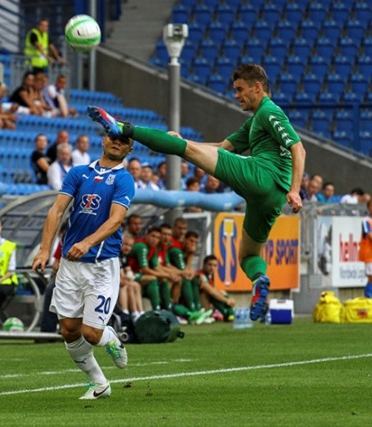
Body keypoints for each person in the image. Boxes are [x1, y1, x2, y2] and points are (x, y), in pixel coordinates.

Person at [89, 63, 306, 321]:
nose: (236, 95)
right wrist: (185, 142)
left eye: (240, 89)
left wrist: (296, 190)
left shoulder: (270, 112)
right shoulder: (255, 121)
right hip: (271, 198)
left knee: (183, 149)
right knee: (248, 255)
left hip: (263, 177)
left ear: (257, 88)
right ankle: (260, 279)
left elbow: (299, 149)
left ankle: (121, 128)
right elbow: (220, 147)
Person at [31, 130, 135, 400]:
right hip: (69, 264)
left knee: (91, 333)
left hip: (102, 264)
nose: (116, 143)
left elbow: (115, 220)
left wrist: (88, 243)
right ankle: (99, 384)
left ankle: (110, 336)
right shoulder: (78, 173)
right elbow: (57, 210)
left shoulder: (124, 179)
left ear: (129, 149)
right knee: (68, 331)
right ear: (104, 140)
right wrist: (45, 250)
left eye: (123, 141)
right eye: (113, 137)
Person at [193, 255, 236, 322]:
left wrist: (224, 295)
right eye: (210, 265)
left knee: (221, 292)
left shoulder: (210, 277)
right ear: (204, 265)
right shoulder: (200, 275)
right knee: (212, 294)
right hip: (196, 305)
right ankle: (227, 313)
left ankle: (229, 313)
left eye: (215, 265)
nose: (212, 268)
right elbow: (211, 292)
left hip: (207, 305)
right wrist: (226, 300)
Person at [360, 200, 372, 298]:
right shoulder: (366, 220)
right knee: (371, 277)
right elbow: (369, 235)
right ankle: (368, 299)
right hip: (369, 254)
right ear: (369, 207)